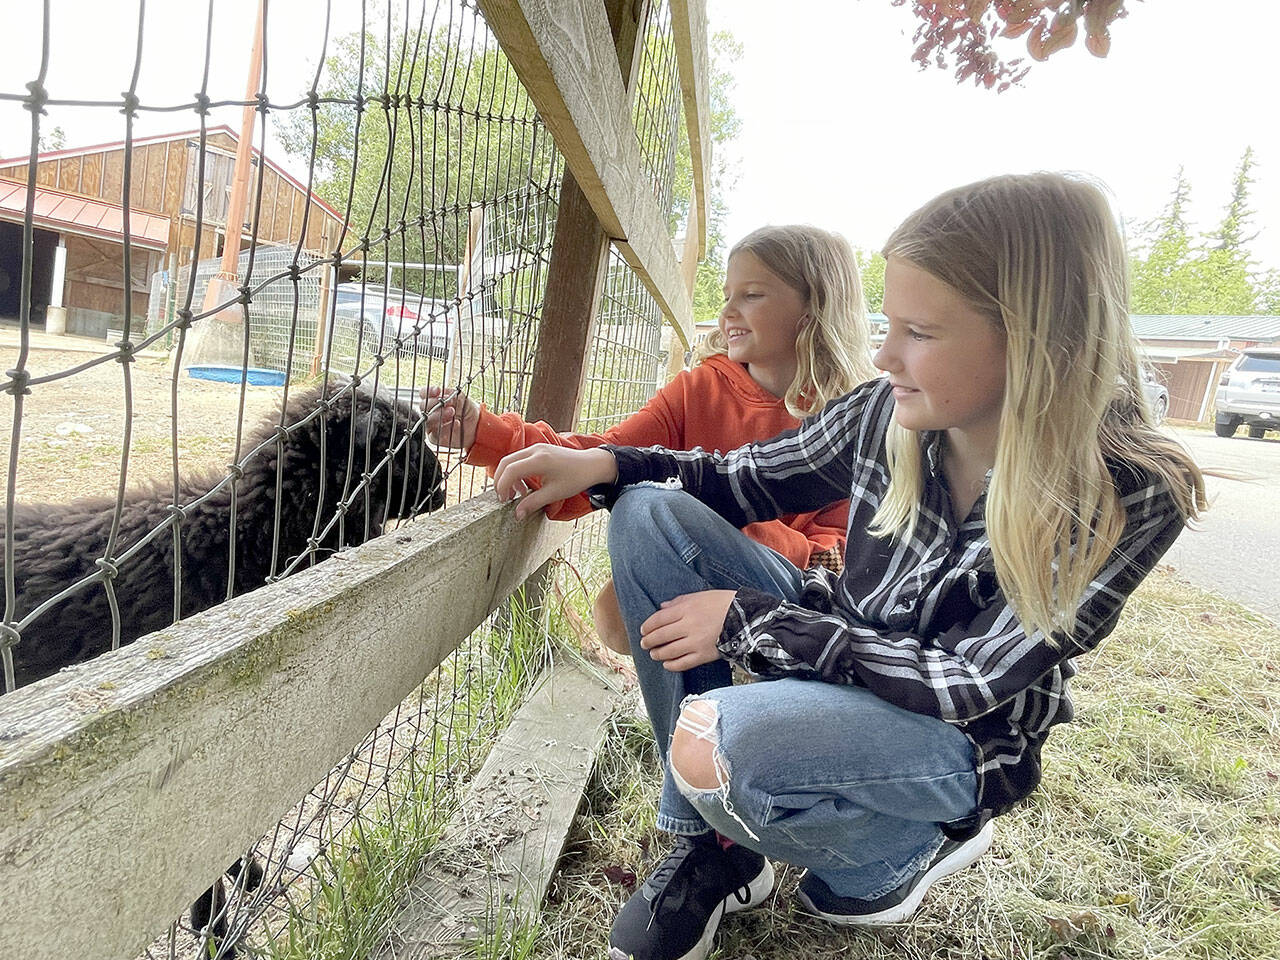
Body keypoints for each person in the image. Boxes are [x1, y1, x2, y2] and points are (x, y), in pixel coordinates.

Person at [488, 173, 1207, 960]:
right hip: (847, 644)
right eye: (888, 324)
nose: (886, 354)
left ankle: (896, 856)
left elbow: (965, 681)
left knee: (727, 750)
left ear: (1035, 337)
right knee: (651, 512)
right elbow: (741, 478)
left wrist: (748, 621)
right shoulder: (884, 409)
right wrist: (601, 464)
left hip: (953, 730)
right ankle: (717, 852)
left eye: (921, 332)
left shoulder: (1127, 487)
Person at [423, 225, 877, 654]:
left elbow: (836, 557)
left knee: (653, 516)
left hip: (790, 601)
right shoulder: (697, 390)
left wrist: (700, 514)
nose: (727, 312)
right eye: (726, 296)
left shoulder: (852, 421)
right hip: (692, 573)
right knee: (619, 611)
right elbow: (606, 455)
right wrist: (486, 433)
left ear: (813, 306)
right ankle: (690, 721)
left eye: (752, 295)